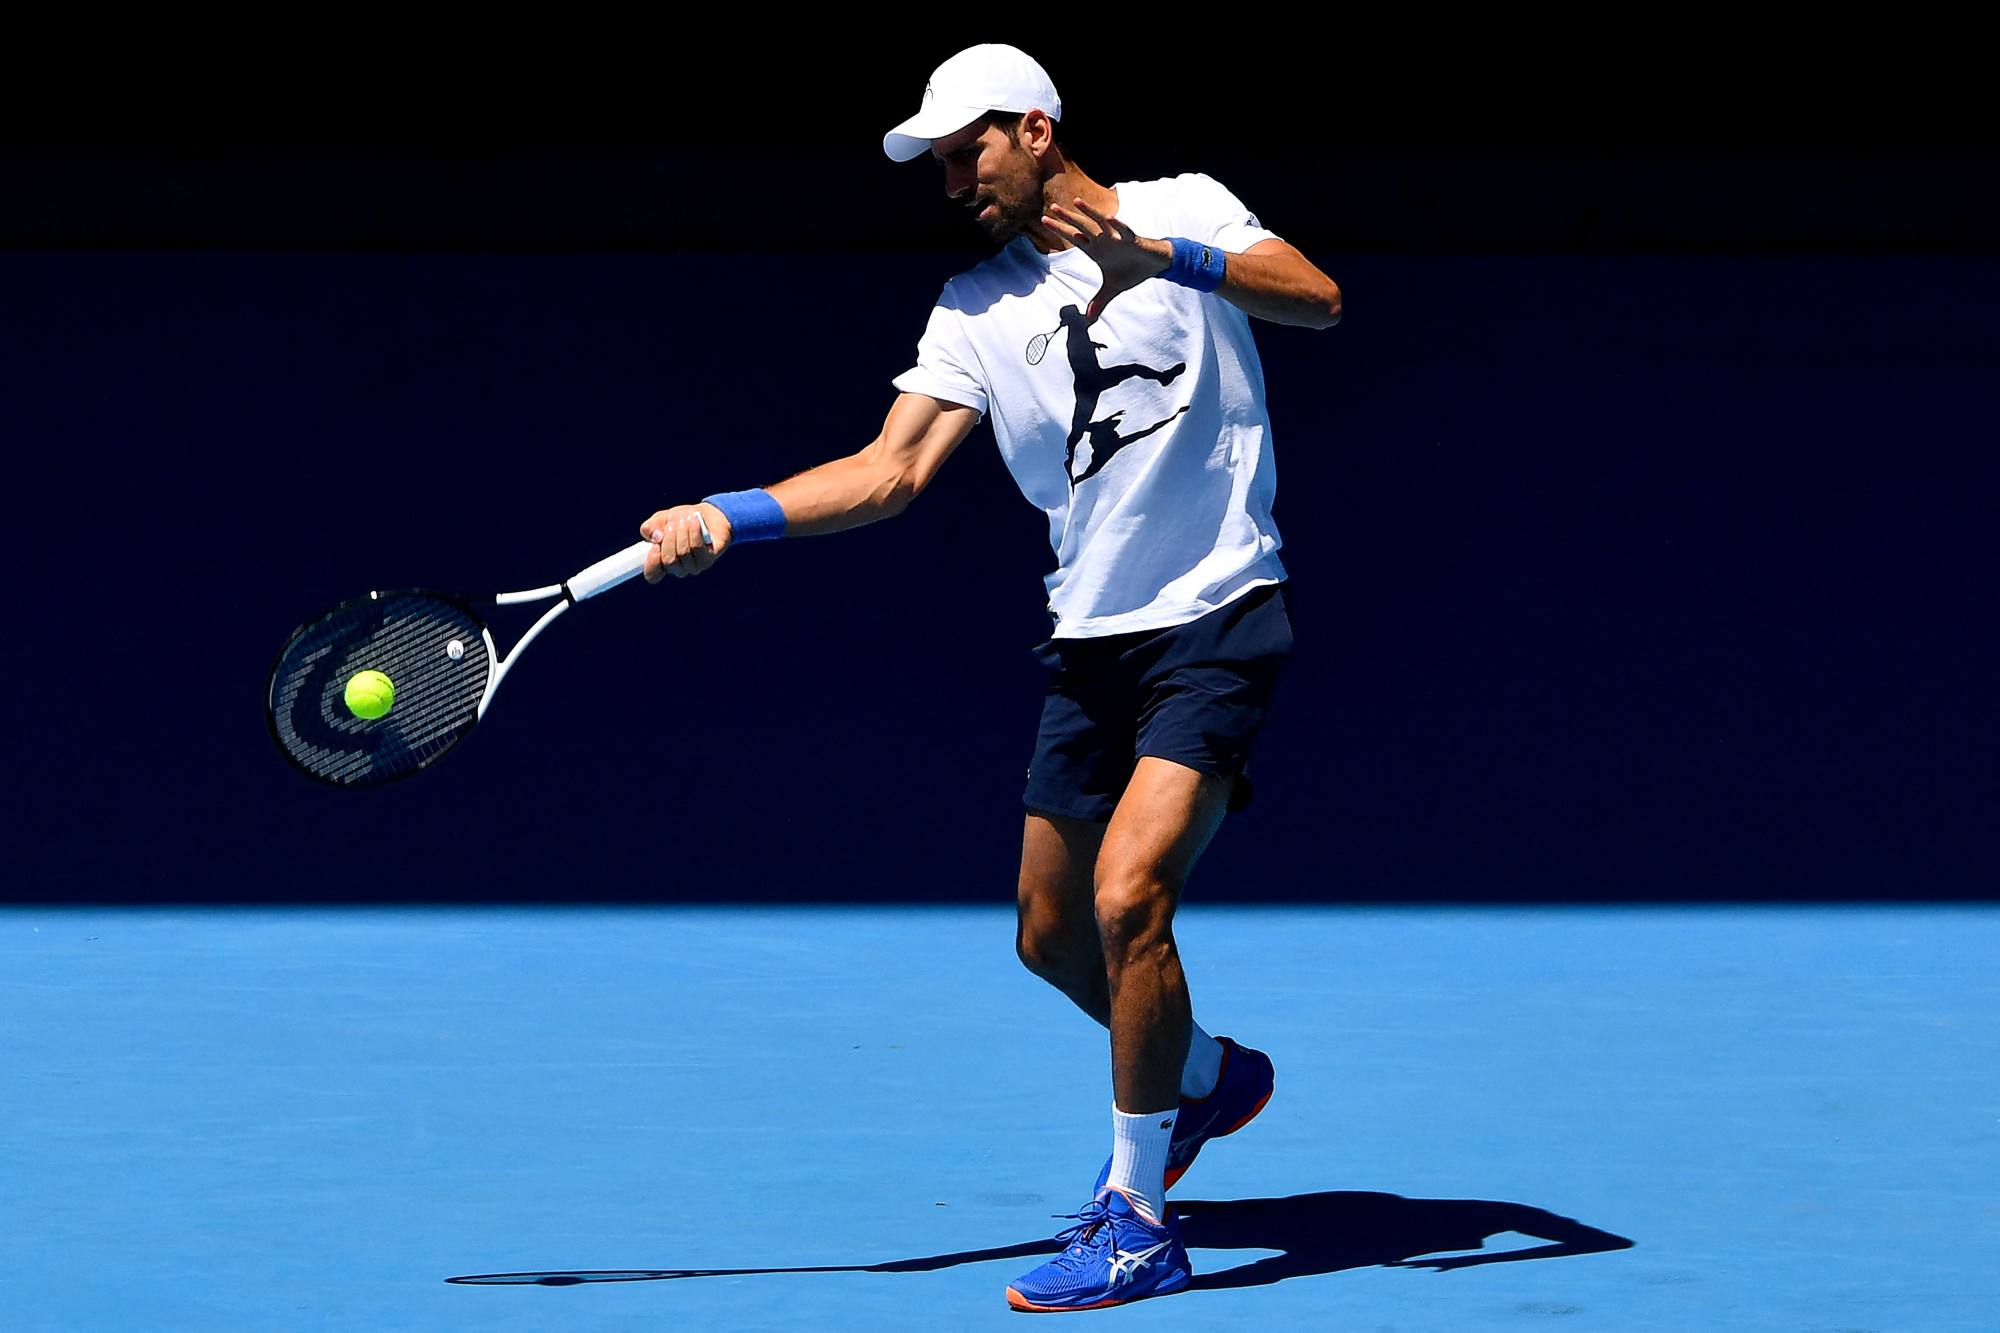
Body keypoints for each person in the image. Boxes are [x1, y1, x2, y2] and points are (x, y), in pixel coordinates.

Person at [638, 43, 1341, 1312]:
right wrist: (725, 514)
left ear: (1033, 129)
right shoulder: (973, 302)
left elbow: (1314, 297)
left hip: (1219, 612)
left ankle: (1135, 1218)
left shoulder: (1182, 204)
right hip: (1088, 640)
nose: (953, 178)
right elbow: (888, 471)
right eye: (939, 162)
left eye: (967, 152)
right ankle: (1205, 1079)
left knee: (1131, 899)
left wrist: (1161, 260)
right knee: (1047, 932)